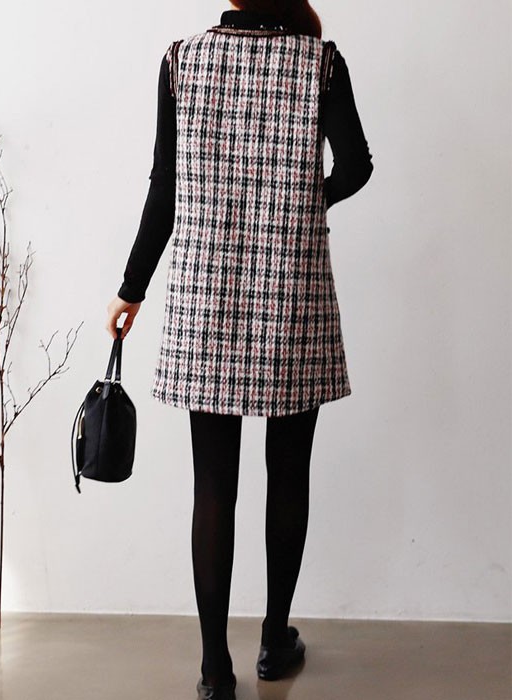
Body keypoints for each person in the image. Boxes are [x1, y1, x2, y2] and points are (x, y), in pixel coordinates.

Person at [106, 1, 373, 697]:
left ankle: (213, 669)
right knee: (288, 474)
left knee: (213, 485)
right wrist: (304, 201)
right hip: (292, 287)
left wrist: (131, 288)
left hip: (207, 292)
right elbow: (356, 166)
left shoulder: (182, 60)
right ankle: (274, 642)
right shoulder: (320, 62)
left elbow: (165, 188)